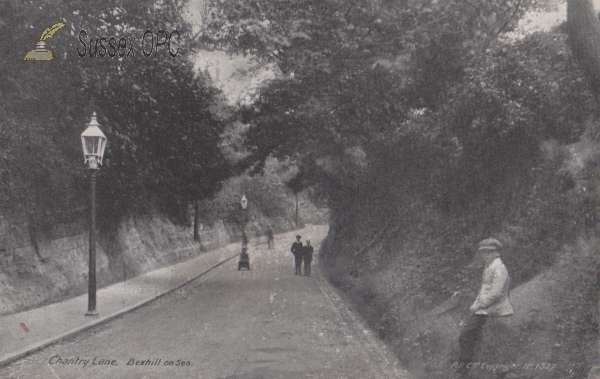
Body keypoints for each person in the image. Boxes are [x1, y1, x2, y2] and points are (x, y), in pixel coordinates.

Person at [457, 238, 513, 377]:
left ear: (497, 253)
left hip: (496, 308)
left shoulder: (500, 268)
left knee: (467, 335)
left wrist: (479, 306)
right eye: (483, 252)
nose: (485, 255)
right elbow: (483, 289)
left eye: (489, 252)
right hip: (485, 308)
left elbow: (496, 293)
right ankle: (464, 368)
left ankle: (464, 369)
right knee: (465, 335)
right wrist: (475, 304)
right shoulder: (488, 267)